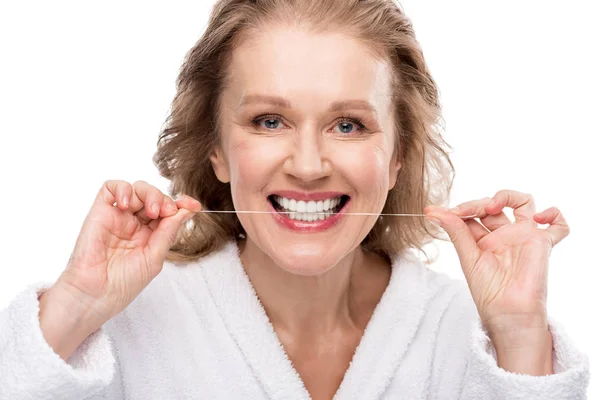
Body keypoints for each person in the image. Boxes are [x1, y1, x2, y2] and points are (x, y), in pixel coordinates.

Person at [0, 0, 590, 399]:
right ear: (218, 150)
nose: (308, 166)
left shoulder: (467, 336)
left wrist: (518, 337)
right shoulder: (121, 331)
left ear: (399, 154)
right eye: (269, 120)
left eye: (350, 126)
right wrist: (74, 308)